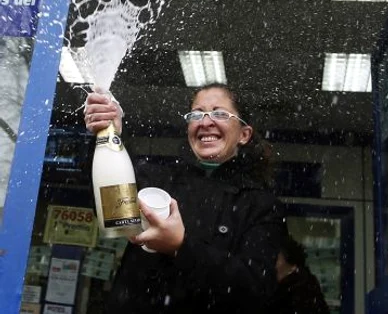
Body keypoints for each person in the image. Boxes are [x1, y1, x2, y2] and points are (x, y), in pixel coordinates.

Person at [84, 83, 286, 314]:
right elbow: (112, 209)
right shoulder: (159, 180)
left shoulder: (261, 206)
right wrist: (110, 135)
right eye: (196, 114)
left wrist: (181, 246)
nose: (205, 122)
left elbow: (254, 291)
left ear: (244, 134)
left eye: (219, 113)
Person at [268, 236, 330, 314]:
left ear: (292, 266)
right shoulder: (305, 287)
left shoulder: (297, 293)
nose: (273, 264)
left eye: (277, 259)